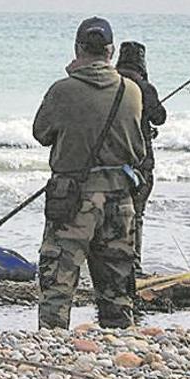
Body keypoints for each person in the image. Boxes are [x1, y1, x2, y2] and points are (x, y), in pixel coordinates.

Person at [32, 17, 146, 329]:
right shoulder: (131, 91)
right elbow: (139, 152)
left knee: (58, 285)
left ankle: (52, 346)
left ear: (78, 48)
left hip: (72, 201)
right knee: (118, 289)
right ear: (110, 51)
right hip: (120, 201)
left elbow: (41, 133)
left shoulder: (62, 90)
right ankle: (120, 349)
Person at [116, 41, 167, 276]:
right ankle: (133, 265)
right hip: (141, 164)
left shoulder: (111, 84)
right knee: (136, 216)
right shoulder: (145, 88)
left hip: (112, 161)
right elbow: (159, 117)